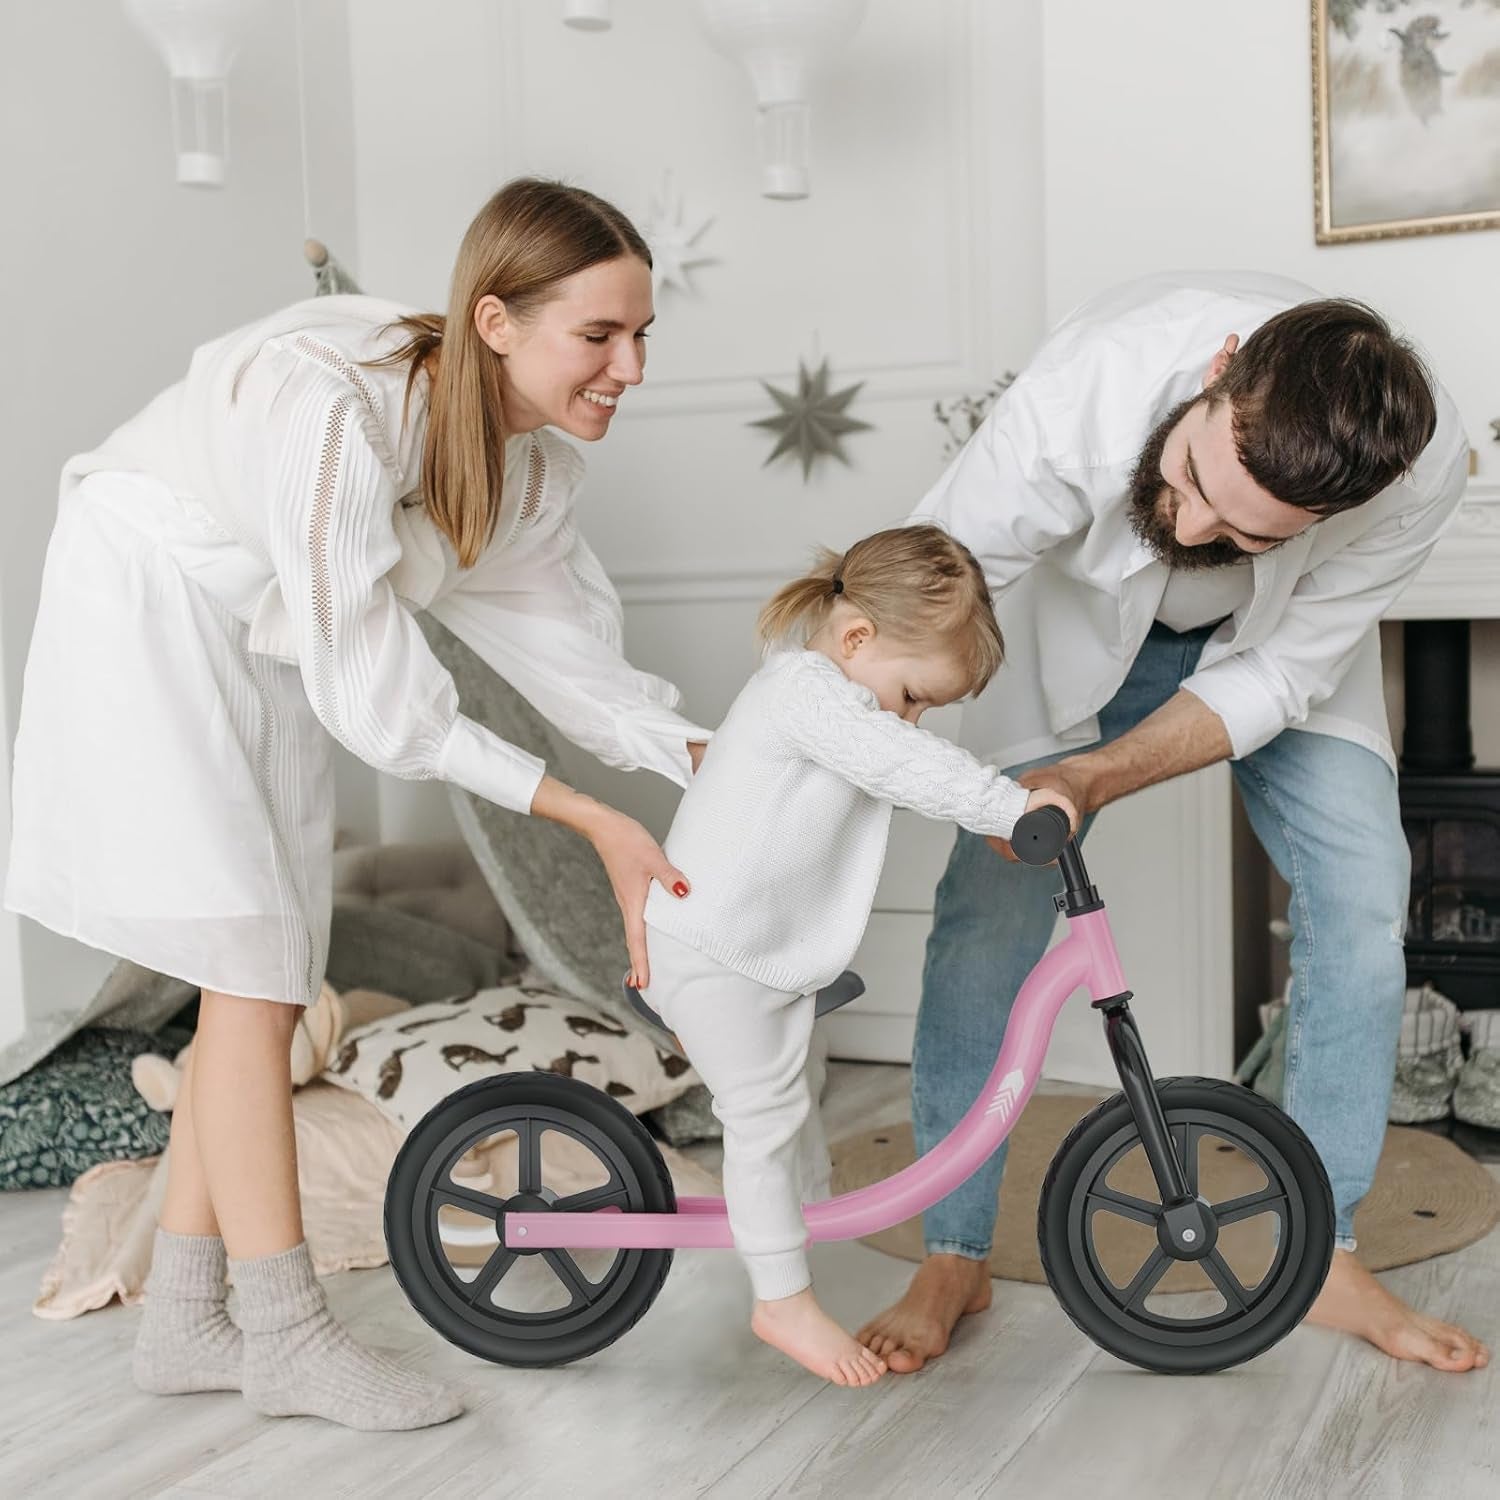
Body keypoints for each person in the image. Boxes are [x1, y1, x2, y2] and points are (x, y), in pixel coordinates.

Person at [3, 178, 712, 1430]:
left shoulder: (525, 471)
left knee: (276, 954)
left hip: (260, 628)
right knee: (253, 970)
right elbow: (385, 705)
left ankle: (181, 1319)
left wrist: (718, 759)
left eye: (643, 335)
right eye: (600, 336)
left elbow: (579, 664)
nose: (632, 367)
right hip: (153, 589)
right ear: (495, 321)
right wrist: (589, 816)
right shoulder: (334, 409)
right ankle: (281, 1332)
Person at [856, 271, 1491, 1377]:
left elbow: (1286, 673)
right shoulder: (1083, 395)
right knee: (985, 919)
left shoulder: (1417, 475)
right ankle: (953, 1250)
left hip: (1270, 649)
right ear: (1218, 373)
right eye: (1194, 477)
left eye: (1244, 531)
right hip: (1068, 631)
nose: (1193, 524)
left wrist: (1099, 778)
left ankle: (1324, 1249)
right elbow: (923, 587)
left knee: (1364, 902)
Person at [638, 525, 1076, 1386]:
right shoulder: (804, 692)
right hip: (713, 950)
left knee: (793, 1100)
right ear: (856, 639)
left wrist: (1000, 810)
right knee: (761, 1115)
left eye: (925, 710)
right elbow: (898, 761)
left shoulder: (834, 700)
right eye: (912, 695)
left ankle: (787, 1231)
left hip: (757, 954)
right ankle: (779, 1301)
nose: (911, 719)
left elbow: (894, 761)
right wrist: (1007, 802)